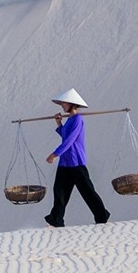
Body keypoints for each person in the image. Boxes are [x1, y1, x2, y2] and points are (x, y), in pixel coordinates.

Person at [44, 88, 110, 227]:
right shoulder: (70, 120)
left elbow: (69, 141)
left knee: (87, 191)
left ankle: (101, 215)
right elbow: (65, 136)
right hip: (65, 163)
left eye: (64, 103)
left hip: (76, 162)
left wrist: (55, 154)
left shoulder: (77, 120)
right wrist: (59, 124)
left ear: (71, 104)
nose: (62, 106)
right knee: (60, 191)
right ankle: (56, 219)